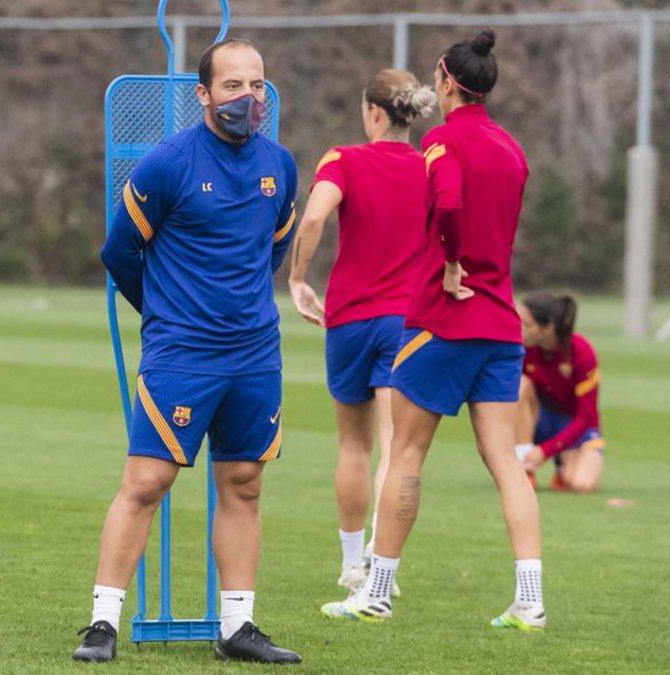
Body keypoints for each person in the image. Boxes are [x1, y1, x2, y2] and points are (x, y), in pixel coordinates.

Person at [72, 38, 301, 664]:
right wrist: (166, 312)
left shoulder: (279, 164)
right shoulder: (165, 164)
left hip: (255, 351)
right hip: (182, 351)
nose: (247, 98)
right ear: (203, 94)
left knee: (246, 481)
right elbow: (119, 253)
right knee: (147, 481)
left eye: (257, 85)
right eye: (233, 86)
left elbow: (271, 251)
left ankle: (237, 627)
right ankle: (102, 623)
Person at [322, 30, 547, 632]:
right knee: (505, 461)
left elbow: (448, 204)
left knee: (406, 452)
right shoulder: (512, 147)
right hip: (501, 323)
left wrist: (450, 264)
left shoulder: (444, 140)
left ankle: (377, 591)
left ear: (446, 81)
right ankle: (531, 597)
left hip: (445, 322)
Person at [287, 69, 434, 609]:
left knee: (353, 444)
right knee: (397, 449)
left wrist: (299, 278)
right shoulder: (429, 166)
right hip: (407, 320)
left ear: (373, 112)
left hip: (348, 319)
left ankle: (353, 566)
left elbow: (315, 218)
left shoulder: (343, 159)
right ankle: (381, 566)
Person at [516, 292, 605, 492]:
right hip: (538, 420)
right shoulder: (521, 348)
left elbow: (585, 417)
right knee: (519, 385)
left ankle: (562, 466)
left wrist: (545, 451)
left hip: (575, 426)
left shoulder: (581, 352)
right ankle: (524, 470)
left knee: (581, 484)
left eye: (527, 325)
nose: (520, 330)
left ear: (548, 328)